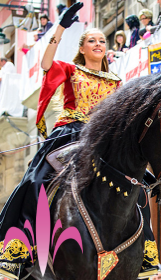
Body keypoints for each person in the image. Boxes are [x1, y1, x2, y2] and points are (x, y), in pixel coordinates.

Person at [0, 3, 123, 279]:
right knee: (36, 180)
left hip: (103, 138)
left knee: (138, 184)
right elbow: (45, 64)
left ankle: (145, 250)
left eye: (102, 40)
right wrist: (61, 28)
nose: (98, 44)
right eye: (92, 40)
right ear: (82, 48)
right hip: (70, 133)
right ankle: (19, 249)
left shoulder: (116, 81)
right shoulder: (70, 69)